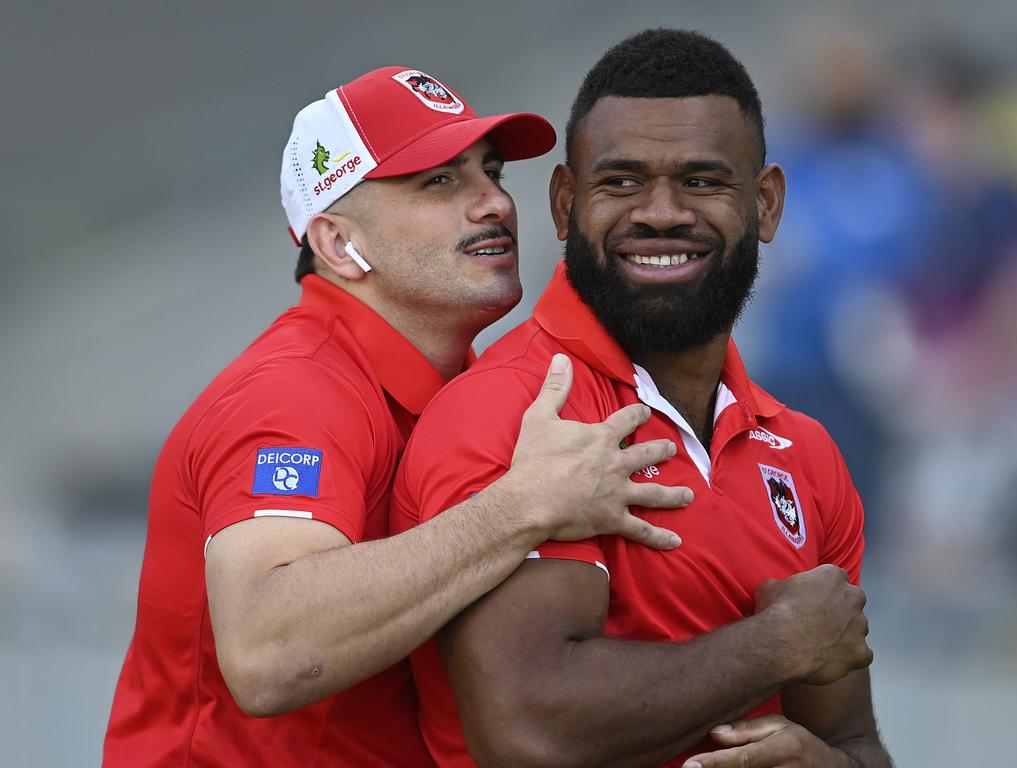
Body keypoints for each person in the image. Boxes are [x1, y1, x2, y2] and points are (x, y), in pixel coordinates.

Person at [102, 65, 693, 767]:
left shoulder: (465, 389)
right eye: (437, 182)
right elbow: (269, 649)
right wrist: (520, 509)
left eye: (492, 172)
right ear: (336, 245)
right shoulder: (296, 390)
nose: (494, 204)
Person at [392, 30, 893, 767]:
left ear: (766, 205)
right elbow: (531, 732)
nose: (661, 212)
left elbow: (854, 741)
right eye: (621, 182)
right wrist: (774, 645)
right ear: (566, 205)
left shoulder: (806, 454)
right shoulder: (508, 414)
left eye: (702, 180)